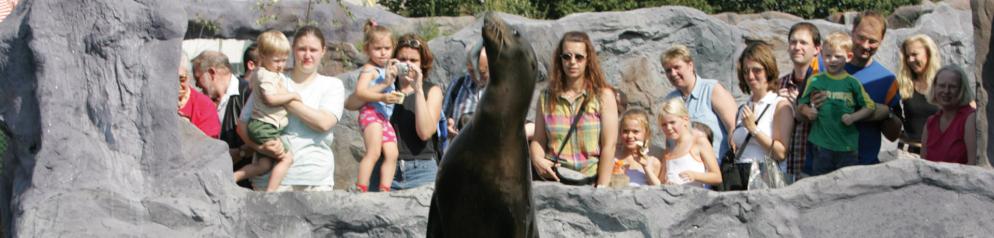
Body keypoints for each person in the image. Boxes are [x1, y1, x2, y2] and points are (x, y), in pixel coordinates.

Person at [237, 26, 346, 192]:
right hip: (270, 181)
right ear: (293, 49)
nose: (307, 55)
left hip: (314, 179)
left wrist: (285, 99)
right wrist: (260, 147)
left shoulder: (332, 85)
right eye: (302, 49)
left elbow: (324, 123)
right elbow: (242, 124)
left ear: (323, 51)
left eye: (313, 50)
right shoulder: (272, 78)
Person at [346, 33, 444, 191]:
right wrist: (384, 86)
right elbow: (350, 104)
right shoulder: (386, 84)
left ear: (422, 64)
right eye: (402, 60)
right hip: (385, 171)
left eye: (413, 61)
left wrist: (417, 90)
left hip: (421, 171)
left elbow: (425, 132)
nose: (407, 65)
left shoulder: (431, 90)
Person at [529, 31, 619, 187]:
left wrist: (602, 188)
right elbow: (538, 139)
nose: (572, 62)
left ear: (588, 60)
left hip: (589, 182)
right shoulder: (546, 97)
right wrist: (537, 158)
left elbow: (609, 146)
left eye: (579, 57)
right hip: (554, 181)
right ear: (560, 59)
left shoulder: (603, 96)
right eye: (566, 57)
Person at [797, 32, 875, 176]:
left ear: (849, 57)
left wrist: (854, 117)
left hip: (847, 146)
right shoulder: (815, 80)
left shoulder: (853, 82)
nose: (832, 60)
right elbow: (801, 103)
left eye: (838, 56)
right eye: (827, 56)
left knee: (847, 186)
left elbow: (869, 106)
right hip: (821, 145)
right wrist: (808, 111)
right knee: (820, 184)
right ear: (821, 55)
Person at [232, 31, 299, 192]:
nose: (280, 65)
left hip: (261, 126)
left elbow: (251, 87)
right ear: (262, 56)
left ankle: (233, 177)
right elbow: (270, 99)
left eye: (284, 60)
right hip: (266, 127)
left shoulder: (261, 74)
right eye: (276, 60)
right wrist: (292, 96)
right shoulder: (266, 75)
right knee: (287, 158)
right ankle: (270, 193)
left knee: (264, 165)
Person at [729, 42, 793, 190]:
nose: (750, 76)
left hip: (767, 181)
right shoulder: (743, 107)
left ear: (768, 71)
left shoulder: (779, 106)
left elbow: (781, 153)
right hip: (740, 178)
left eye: (757, 70)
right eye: (746, 71)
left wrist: (754, 130)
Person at [660, 44, 736, 163]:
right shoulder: (670, 100)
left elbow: (734, 127)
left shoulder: (712, 89)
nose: (673, 73)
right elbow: (669, 141)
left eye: (677, 67)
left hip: (717, 169)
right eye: (668, 70)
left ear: (690, 65)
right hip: (684, 172)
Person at [352, 20, 401, 192]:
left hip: (383, 117)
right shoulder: (369, 69)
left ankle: (385, 188)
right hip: (371, 112)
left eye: (387, 48)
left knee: (392, 153)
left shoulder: (390, 67)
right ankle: (361, 186)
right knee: (374, 152)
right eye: (377, 48)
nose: (383, 53)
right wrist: (382, 96)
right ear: (367, 49)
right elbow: (360, 92)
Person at [193, 50, 252, 169]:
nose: (197, 85)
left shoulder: (248, 93)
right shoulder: (203, 102)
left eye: (198, 78)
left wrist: (240, 153)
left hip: (246, 180)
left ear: (211, 73)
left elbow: (263, 138)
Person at [779, 22, 821, 182]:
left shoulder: (822, 85)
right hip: (782, 169)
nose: (797, 47)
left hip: (813, 170)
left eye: (803, 42)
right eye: (793, 42)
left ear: (817, 49)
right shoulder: (780, 85)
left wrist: (797, 107)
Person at [894, 34, 941, 158]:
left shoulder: (944, 84)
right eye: (907, 56)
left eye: (914, 55)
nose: (910, 60)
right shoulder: (903, 84)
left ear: (929, 53)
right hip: (908, 152)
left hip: (939, 152)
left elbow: (968, 111)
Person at [657, 98, 721, 187]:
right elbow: (661, 180)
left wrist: (695, 175)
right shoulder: (670, 146)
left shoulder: (699, 141)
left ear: (685, 119)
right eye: (664, 124)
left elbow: (717, 177)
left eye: (672, 122)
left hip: (693, 197)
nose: (668, 127)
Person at [921, 65, 976, 165]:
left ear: (961, 89)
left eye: (952, 87)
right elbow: (922, 163)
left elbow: (972, 163)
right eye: (942, 86)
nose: (946, 91)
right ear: (935, 87)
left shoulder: (969, 118)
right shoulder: (930, 123)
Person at [443, 46, 489, 139]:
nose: (476, 76)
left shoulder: (505, 91)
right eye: (472, 71)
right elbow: (442, 118)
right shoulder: (457, 85)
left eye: (481, 72)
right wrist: (447, 127)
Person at [178, 53, 221, 138]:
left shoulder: (203, 105)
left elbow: (208, 145)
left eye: (181, 79)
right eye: (170, 80)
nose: (176, 84)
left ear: (189, 77)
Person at [614, 108, 662, 187]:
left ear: (646, 133)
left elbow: (657, 190)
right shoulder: (613, 157)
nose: (630, 136)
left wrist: (646, 167)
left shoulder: (653, 162)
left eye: (635, 131)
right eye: (625, 131)